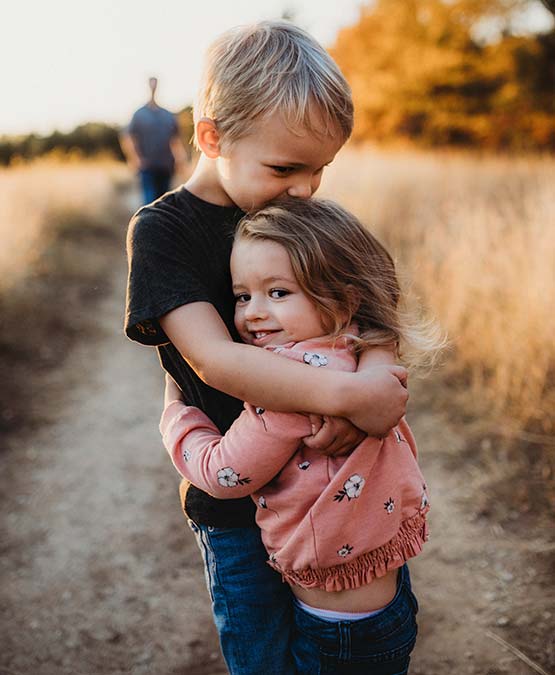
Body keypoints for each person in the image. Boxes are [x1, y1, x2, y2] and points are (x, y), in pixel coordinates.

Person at [125, 21, 409, 675]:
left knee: (356, 642)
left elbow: (373, 306)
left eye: (320, 168)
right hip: (235, 508)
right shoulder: (165, 231)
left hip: (343, 489)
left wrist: (377, 378)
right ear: (211, 135)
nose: (307, 187)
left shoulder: (302, 216)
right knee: (260, 653)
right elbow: (215, 359)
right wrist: (348, 393)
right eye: (286, 167)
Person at [160, 198, 440, 674]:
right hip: (383, 604)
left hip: (338, 631)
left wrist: (174, 412)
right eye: (243, 296)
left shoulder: (288, 383)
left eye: (278, 293)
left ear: (341, 297)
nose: (253, 314)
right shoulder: (355, 346)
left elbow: (223, 472)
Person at [120, 76, 187, 204]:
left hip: (166, 166)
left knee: (163, 203)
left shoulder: (167, 115)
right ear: (148, 86)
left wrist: (180, 160)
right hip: (147, 167)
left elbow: (175, 140)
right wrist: (135, 158)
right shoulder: (139, 114)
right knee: (150, 203)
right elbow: (128, 137)